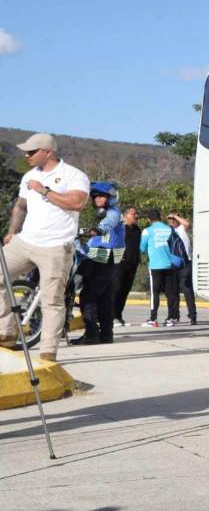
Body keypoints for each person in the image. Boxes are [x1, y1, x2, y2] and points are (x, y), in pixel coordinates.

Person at [0, 133, 90, 363]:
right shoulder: (29, 176)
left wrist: (45, 190)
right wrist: (12, 232)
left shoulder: (73, 175)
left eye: (31, 152)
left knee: (52, 299)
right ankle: (6, 331)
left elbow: (77, 203)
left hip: (55, 247)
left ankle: (48, 351)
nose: (26, 155)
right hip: (25, 241)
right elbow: (20, 206)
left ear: (47, 152)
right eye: (26, 152)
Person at [76, 182, 125, 345]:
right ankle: (106, 335)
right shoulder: (102, 214)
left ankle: (91, 334)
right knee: (105, 299)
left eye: (102, 196)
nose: (97, 199)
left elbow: (108, 223)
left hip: (104, 261)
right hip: (105, 261)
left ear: (111, 197)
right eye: (95, 196)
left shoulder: (113, 212)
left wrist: (99, 229)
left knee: (88, 297)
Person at [139, 209, 179, 327]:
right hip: (169, 264)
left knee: (154, 293)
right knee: (169, 292)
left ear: (148, 219)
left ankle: (153, 319)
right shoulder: (169, 229)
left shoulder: (147, 231)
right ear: (160, 217)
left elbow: (142, 248)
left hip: (155, 265)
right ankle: (170, 318)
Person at [112, 207, 141, 326]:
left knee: (125, 291)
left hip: (132, 264)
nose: (137, 216)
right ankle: (111, 316)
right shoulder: (119, 229)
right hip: (119, 264)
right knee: (116, 289)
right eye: (134, 214)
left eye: (137, 214)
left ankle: (118, 315)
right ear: (125, 216)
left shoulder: (137, 230)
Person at [167, 213, 197, 325]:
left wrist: (176, 216)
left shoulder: (182, 229)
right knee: (173, 291)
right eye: (169, 219)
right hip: (173, 263)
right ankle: (175, 316)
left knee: (187, 290)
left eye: (172, 219)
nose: (170, 221)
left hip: (185, 263)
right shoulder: (168, 231)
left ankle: (192, 316)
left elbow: (188, 224)